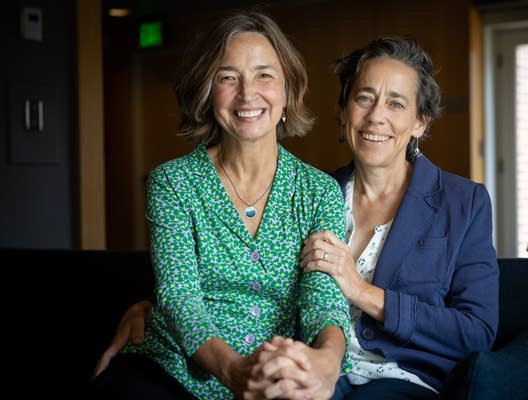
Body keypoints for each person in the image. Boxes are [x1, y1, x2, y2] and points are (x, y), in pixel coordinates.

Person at [95, 35, 500, 400]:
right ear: (343, 110)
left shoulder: (462, 203)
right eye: (364, 98)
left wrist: (361, 291)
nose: (377, 116)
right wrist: (155, 304)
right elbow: (235, 277)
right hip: (306, 367)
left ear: (420, 122)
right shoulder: (323, 189)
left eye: (396, 103)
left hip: (396, 376)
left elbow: (477, 330)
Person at [90, 10, 351, 400]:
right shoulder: (173, 182)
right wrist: (233, 370)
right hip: (172, 368)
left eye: (264, 75)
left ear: (287, 88)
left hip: (272, 371)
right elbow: (179, 297)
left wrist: (327, 366)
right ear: (207, 91)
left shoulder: (319, 191)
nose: (248, 94)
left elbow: (322, 299)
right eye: (227, 77)